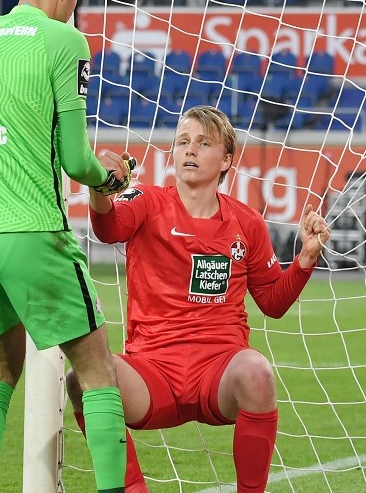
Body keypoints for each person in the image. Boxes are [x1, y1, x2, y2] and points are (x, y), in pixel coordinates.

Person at [0, 0, 132, 493]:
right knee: (97, 371)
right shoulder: (64, 40)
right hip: (29, 229)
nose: (77, 5)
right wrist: (111, 177)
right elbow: (76, 161)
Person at [67, 105, 330, 493]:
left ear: (226, 160)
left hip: (218, 371)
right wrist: (100, 188)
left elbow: (273, 303)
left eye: (204, 143)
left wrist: (306, 258)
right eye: (183, 142)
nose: (190, 150)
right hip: (152, 371)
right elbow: (108, 228)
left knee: (257, 373)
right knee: (80, 380)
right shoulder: (147, 201)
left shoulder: (247, 223)